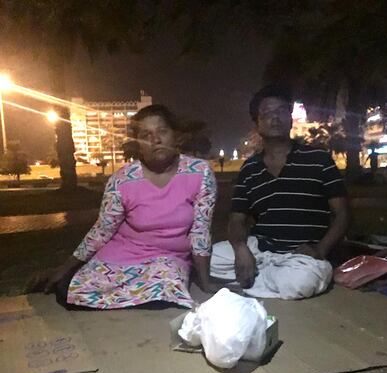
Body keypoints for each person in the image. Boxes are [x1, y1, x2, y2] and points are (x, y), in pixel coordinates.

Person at [41, 104, 217, 309]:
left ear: (175, 136)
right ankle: (64, 277)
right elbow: (102, 230)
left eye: (162, 131)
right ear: (138, 143)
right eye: (146, 135)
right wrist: (66, 267)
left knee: (166, 285)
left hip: (167, 260)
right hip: (122, 255)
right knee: (75, 290)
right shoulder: (122, 179)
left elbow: (200, 232)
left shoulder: (200, 173)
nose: (156, 140)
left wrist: (205, 282)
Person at [211, 84, 350, 299]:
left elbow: (342, 214)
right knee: (209, 258)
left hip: (302, 255)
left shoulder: (318, 160)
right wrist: (240, 249)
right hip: (263, 251)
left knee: (299, 283)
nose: (274, 118)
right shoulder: (250, 169)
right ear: (257, 123)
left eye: (281, 111)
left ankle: (258, 279)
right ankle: (266, 276)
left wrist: (321, 250)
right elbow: (236, 220)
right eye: (266, 113)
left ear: (291, 118)